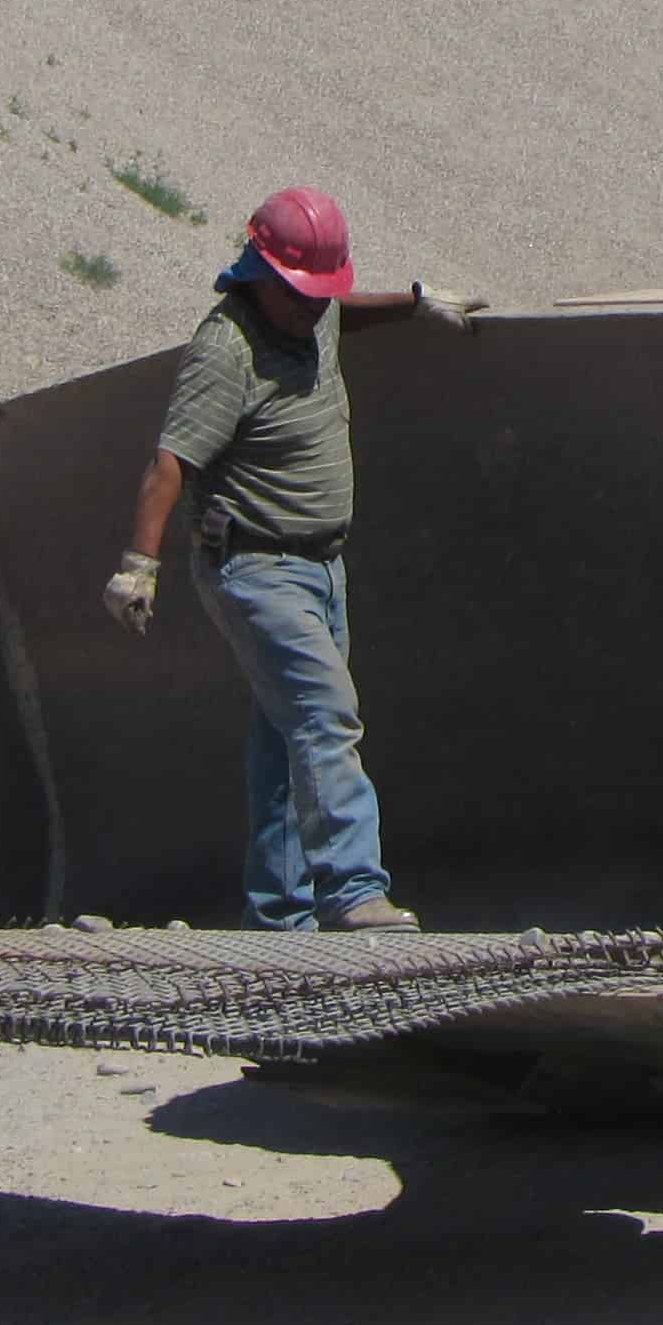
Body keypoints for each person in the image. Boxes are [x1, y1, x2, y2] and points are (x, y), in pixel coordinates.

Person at [102, 185, 476, 934]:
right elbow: (169, 462)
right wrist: (138, 566)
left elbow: (340, 309)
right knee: (323, 716)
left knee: (285, 740)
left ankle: (278, 915)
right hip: (255, 568)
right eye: (300, 293)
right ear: (259, 273)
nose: (312, 308)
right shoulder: (226, 350)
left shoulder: (311, 310)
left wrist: (415, 302)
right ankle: (353, 890)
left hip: (321, 568)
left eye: (319, 293)